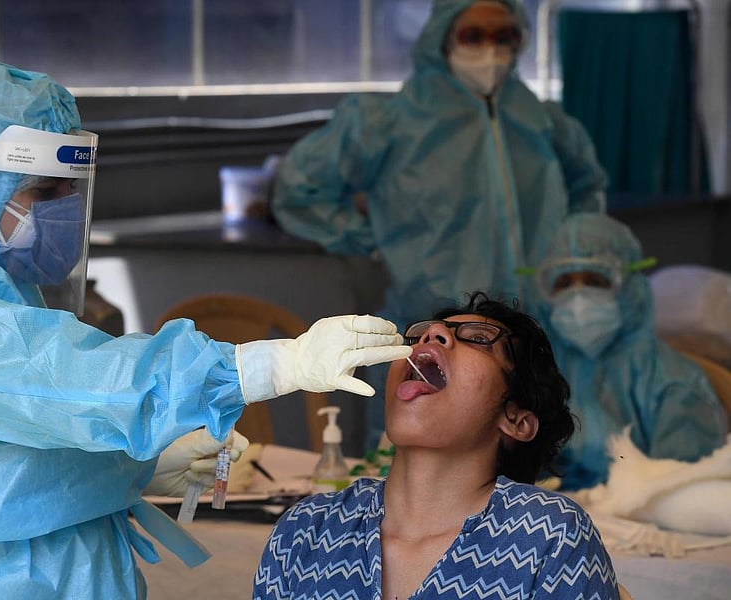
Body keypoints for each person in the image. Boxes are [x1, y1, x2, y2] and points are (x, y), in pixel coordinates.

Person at [0, 57, 412, 599]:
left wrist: (133, 465)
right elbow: (68, 381)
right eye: (44, 192)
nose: (61, 209)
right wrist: (267, 366)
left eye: (69, 192)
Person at [271, 0, 608, 449]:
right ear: (442, 38)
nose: (492, 49)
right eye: (475, 35)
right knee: (420, 465)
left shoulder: (539, 119)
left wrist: (570, 259)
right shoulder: (390, 122)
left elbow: (587, 188)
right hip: (432, 326)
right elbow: (299, 189)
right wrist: (376, 240)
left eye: (504, 36)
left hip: (535, 330)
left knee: (535, 459)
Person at [253, 291, 621, 599]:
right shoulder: (305, 530)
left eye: (477, 338)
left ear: (516, 420)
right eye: (419, 337)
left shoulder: (547, 537)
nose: (432, 336)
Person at [526, 212, 728, 491]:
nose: (578, 298)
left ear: (631, 288)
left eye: (595, 281)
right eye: (563, 284)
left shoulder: (675, 384)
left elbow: (686, 491)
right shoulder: (539, 374)